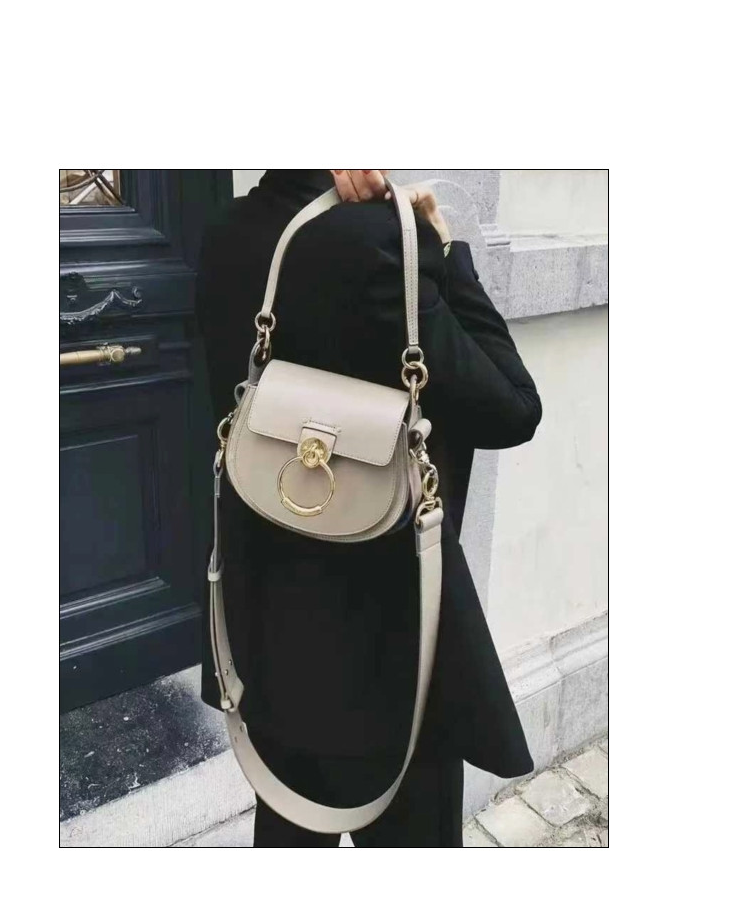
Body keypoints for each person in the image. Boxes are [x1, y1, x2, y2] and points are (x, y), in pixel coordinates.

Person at [195, 170, 542, 847]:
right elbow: (513, 406)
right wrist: (448, 253)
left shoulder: (224, 234)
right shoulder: (386, 241)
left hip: (264, 643)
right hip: (391, 665)